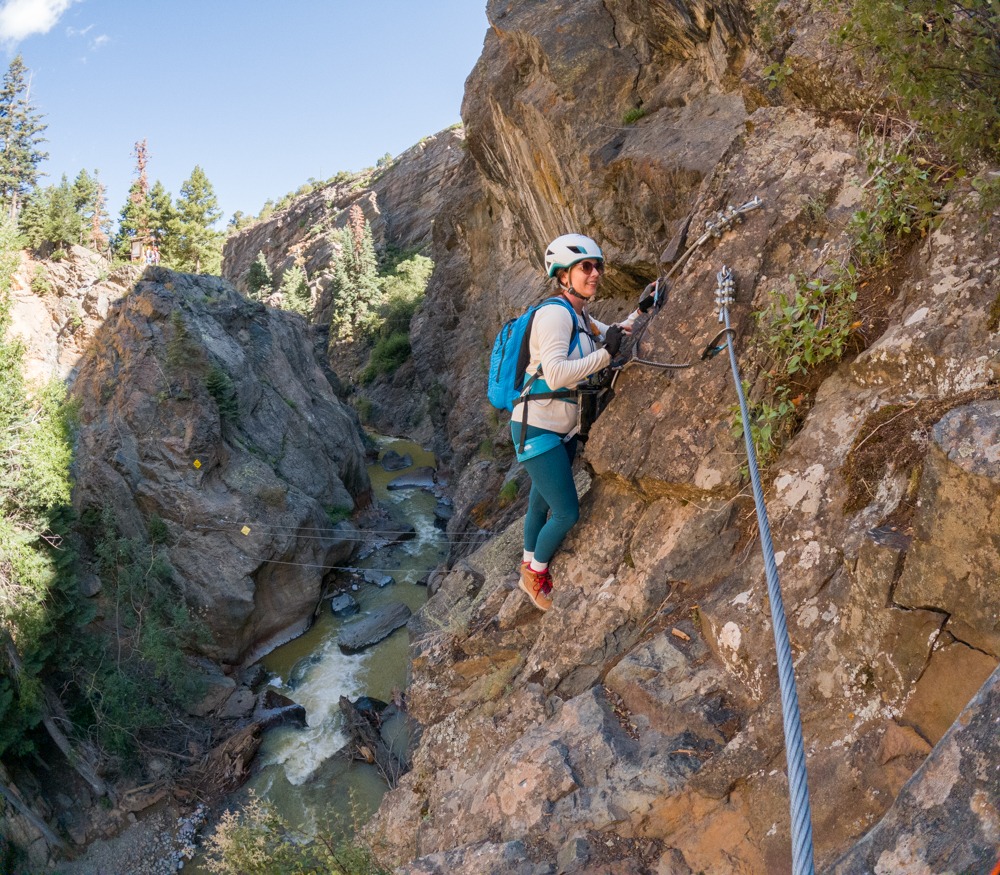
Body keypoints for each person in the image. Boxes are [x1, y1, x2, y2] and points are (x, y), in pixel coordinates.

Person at [513, 233, 628, 611]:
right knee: (565, 511)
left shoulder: (578, 315)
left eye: (598, 266)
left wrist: (640, 314)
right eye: (585, 267)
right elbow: (559, 373)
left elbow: (612, 332)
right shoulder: (554, 315)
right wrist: (605, 356)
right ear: (563, 275)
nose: (595, 273)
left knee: (539, 505)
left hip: (558, 429)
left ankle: (527, 565)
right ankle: (536, 575)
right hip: (538, 429)